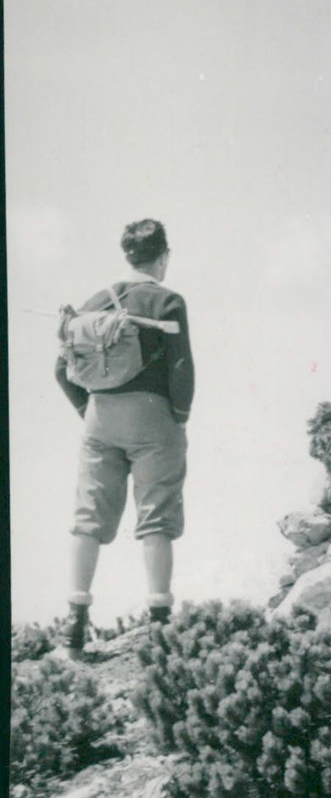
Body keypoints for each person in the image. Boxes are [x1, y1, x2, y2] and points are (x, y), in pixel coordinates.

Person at [55, 219, 194, 652]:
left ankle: (74, 622)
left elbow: (62, 369)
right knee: (156, 515)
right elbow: (181, 368)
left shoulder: (94, 301)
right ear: (164, 256)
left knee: (89, 517)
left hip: (99, 417)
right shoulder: (167, 299)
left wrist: (89, 411)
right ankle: (159, 621)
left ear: (127, 254)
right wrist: (178, 417)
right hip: (153, 417)